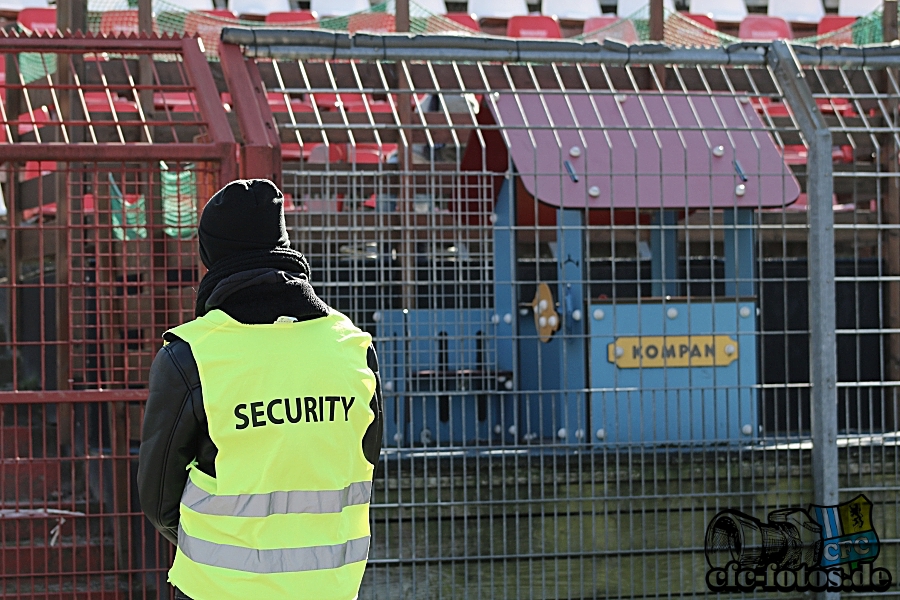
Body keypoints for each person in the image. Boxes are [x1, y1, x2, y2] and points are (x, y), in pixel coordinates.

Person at [138, 179, 383, 600]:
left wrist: (221, 543)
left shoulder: (190, 354)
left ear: (208, 256)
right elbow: (365, 458)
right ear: (285, 245)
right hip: (330, 589)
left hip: (216, 588)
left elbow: (158, 499)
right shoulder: (353, 346)